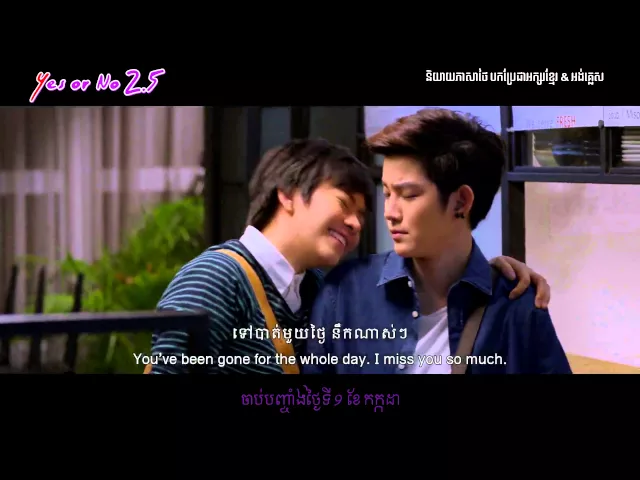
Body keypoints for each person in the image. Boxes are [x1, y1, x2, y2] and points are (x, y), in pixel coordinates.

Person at [148, 137, 551, 374]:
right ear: (287, 195)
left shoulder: (317, 287)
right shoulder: (215, 276)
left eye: (362, 214)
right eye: (344, 204)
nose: (357, 224)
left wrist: (487, 270)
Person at [304, 109, 571, 374]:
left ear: (461, 202)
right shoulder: (345, 292)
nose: (390, 213)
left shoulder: (517, 306)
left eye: (408, 195)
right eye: (386, 193)